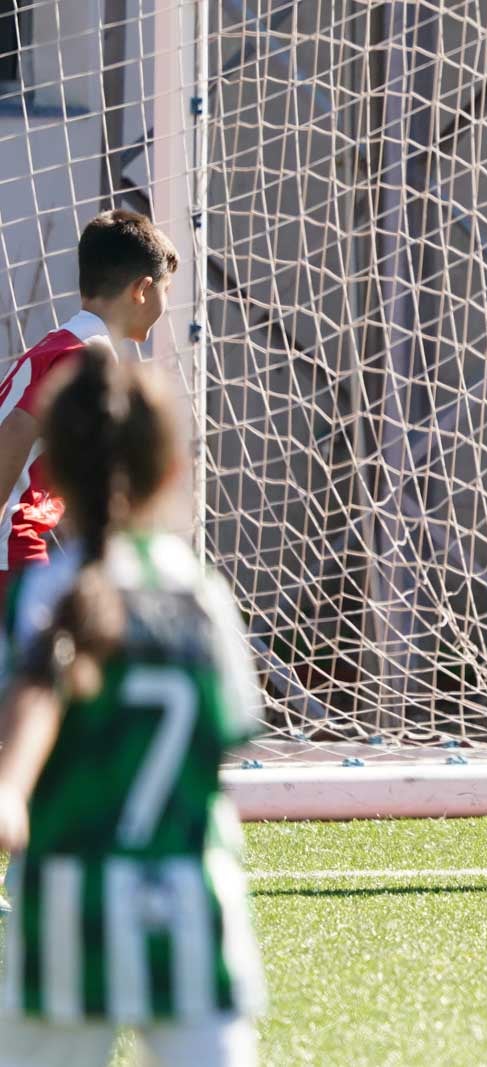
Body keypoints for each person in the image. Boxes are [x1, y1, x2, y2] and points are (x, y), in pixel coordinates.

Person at [0, 348, 266, 1064]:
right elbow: (227, 732)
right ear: (173, 470)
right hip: (190, 915)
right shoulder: (203, 596)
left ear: (58, 473)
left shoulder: (35, 598)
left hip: (64, 914)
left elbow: (28, 699)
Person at [0, 208, 178, 921]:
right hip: (16, 552)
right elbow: (15, 434)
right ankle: (36, 874)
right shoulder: (89, 356)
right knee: (43, 710)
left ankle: (33, 870)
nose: (168, 305)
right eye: (166, 287)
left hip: (29, 546)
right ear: (141, 289)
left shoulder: (72, 345)